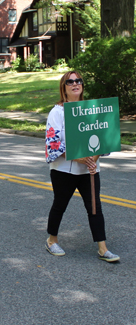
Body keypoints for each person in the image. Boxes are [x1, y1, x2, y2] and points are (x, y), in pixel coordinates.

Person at [45, 70, 119, 262]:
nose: (75, 84)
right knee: (59, 205)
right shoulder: (57, 112)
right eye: (70, 82)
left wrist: (93, 159)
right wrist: (77, 157)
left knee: (95, 207)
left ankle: (103, 248)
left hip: (89, 169)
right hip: (63, 170)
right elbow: (52, 143)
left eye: (78, 81)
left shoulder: (92, 110)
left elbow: (102, 137)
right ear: (64, 87)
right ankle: (52, 240)